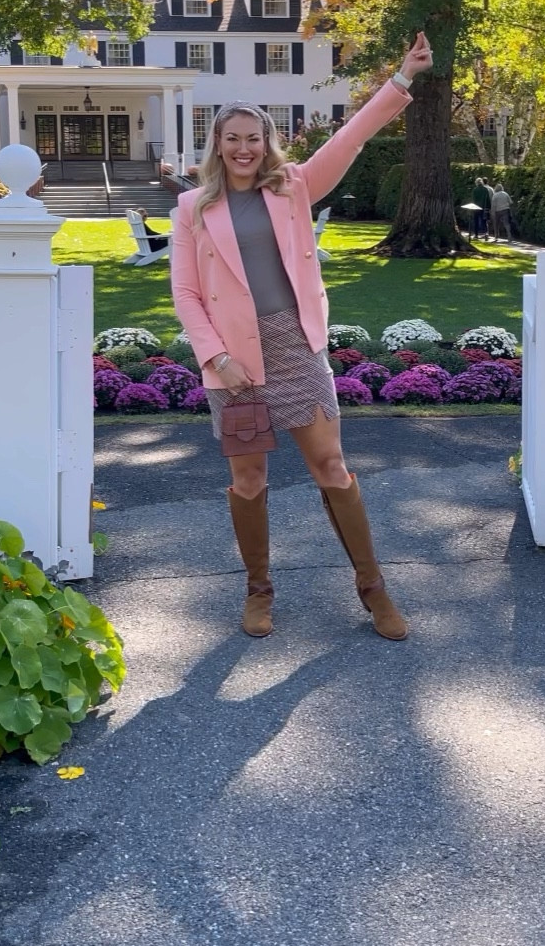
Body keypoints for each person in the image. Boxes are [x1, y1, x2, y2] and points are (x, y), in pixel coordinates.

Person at [171, 32, 433, 642]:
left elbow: (350, 138)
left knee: (332, 466)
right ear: (217, 144)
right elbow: (185, 293)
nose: (243, 148)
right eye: (231, 138)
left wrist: (402, 78)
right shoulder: (191, 208)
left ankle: (374, 590)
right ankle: (259, 591)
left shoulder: (293, 188)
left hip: (294, 346)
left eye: (253, 138)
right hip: (232, 362)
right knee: (249, 480)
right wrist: (216, 356)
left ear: (267, 144)